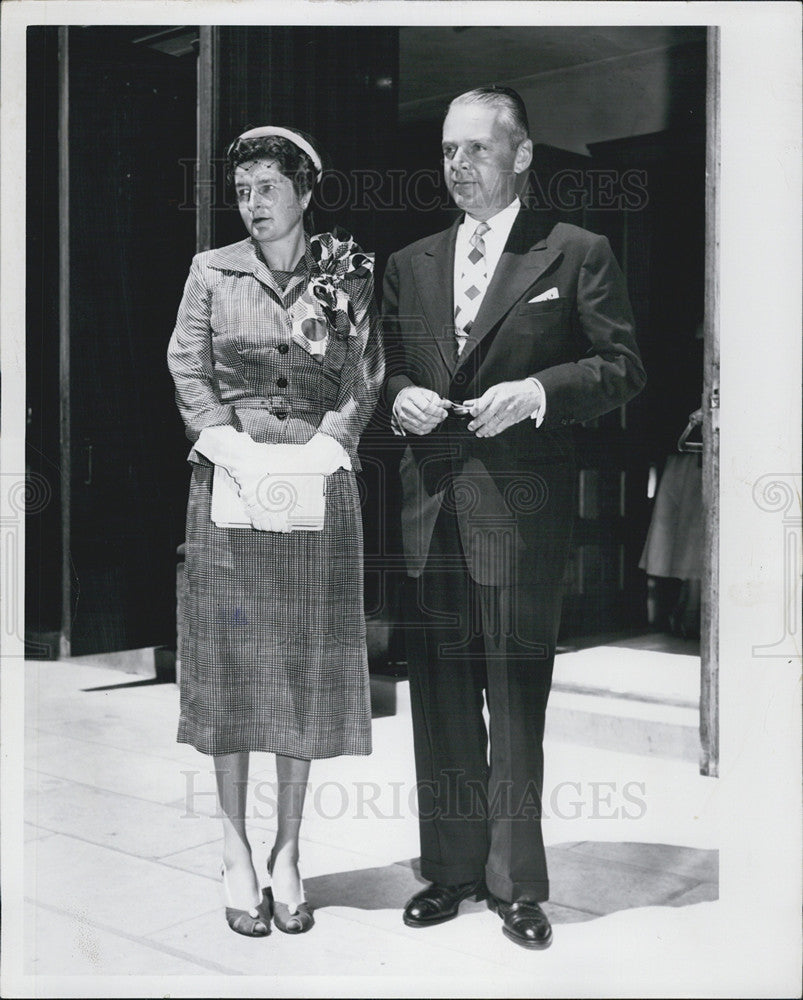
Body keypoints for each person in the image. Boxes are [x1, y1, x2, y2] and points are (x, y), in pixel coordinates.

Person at [382, 86, 646, 949]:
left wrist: (537, 392)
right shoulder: (410, 261)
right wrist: (400, 398)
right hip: (431, 513)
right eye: (448, 151)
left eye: (476, 150)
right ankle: (450, 871)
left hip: (520, 520)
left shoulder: (574, 253)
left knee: (516, 701)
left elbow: (621, 367)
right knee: (443, 703)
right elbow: (380, 372)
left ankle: (515, 883)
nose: (458, 166)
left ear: (522, 155)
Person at [167, 126, 383, 937]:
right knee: (231, 671)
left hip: (317, 482)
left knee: (301, 670)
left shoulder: (348, 271)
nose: (252, 205)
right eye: (242, 191)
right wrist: (221, 438)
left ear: (304, 190)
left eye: (266, 188)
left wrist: (332, 442)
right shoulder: (210, 271)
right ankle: (234, 850)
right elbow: (186, 363)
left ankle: (289, 851)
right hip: (229, 480)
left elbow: (366, 367)